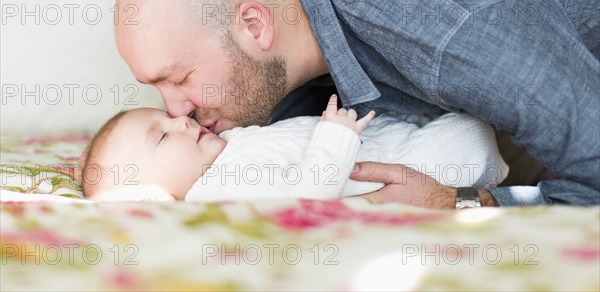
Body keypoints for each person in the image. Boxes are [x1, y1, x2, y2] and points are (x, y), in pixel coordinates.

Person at [115, 0, 599, 207]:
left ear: (255, 25)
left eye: (178, 78)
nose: (173, 110)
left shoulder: (457, 35)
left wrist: (464, 203)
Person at [77, 95, 508, 202]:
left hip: (390, 141)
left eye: (167, 116)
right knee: (469, 130)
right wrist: (335, 136)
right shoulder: (216, 191)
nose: (181, 119)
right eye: (163, 135)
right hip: (426, 162)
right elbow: (308, 191)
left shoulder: (223, 151)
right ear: (156, 192)